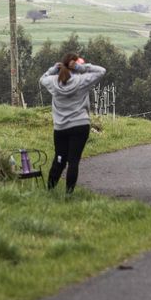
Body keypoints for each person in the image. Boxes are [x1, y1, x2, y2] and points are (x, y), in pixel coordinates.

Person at [40, 51, 106, 195]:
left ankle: (49, 191)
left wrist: (54, 69)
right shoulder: (82, 81)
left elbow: (42, 78)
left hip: (60, 128)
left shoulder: (53, 82)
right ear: (75, 66)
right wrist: (82, 68)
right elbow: (101, 71)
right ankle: (68, 194)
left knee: (59, 158)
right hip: (80, 125)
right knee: (73, 161)